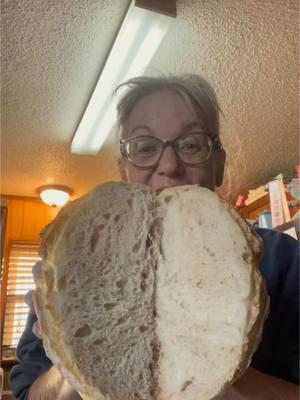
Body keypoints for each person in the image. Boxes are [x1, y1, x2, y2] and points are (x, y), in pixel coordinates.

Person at [10, 74, 299, 399]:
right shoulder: (68, 270)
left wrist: (217, 373)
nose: (169, 165)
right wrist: (72, 360)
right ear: (125, 172)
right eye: (145, 148)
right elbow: (28, 394)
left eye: (190, 145)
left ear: (218, 165)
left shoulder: (284, 259)